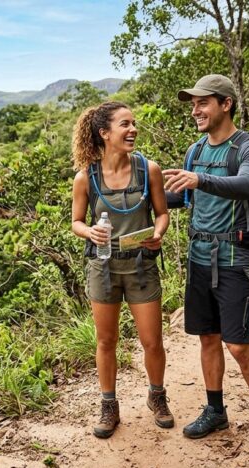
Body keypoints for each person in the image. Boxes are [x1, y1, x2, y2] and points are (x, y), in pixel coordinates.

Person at [163, 74, 249, 453]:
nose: (195, 110)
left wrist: (198, 180)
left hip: (235, 259)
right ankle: (216, 409)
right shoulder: (195, 151)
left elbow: (247, 185)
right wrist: (135, 203)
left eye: (203, 103)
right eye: (193, 104)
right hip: (199, 258)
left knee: (238, 345)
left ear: (225, 104)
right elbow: (183, 197)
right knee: (208, 338)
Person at [71, 101, 173, 439]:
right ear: (104, 133)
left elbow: (162, 214)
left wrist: (158, 233)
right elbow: (76, 222)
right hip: (102, 266)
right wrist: (90, 231)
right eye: (124, 124)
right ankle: (108, 407)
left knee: (151, 340)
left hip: (141, 264)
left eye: (134, 124)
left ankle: (157, 397)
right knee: (106, 340)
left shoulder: (149, 169)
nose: (133, 130)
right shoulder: (86, 177)